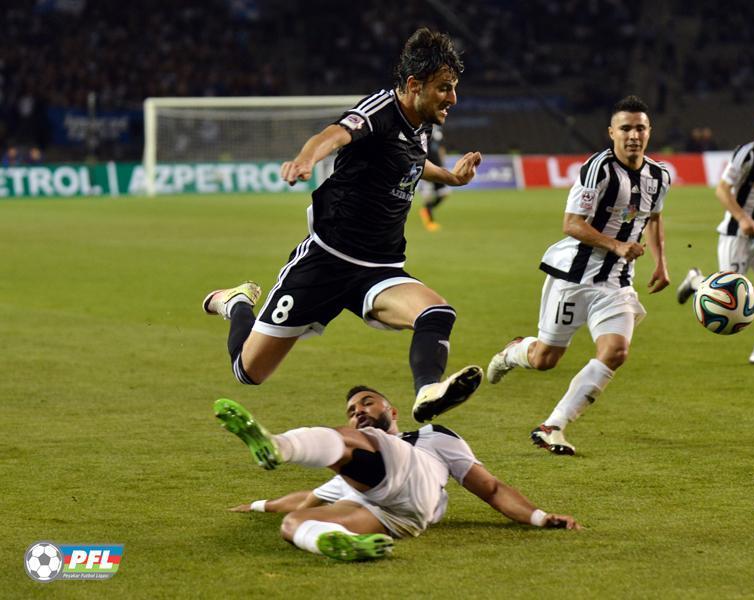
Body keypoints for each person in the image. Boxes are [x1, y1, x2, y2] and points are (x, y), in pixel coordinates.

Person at [202, 28, 484, 423]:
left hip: (379, 268)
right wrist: (306, 159)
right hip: (325, 262)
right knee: (250, 371)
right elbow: (333, 135)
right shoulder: (380, 109)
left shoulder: (420, 123)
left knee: (437, 313)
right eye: (444, 88)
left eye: (453, 88)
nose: (452, 98)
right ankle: (236, 303)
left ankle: (427, 392)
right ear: (413, 85)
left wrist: (450, 178)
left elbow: (412, 161)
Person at [485, 96, 671, 456]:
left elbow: (654, 218)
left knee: (616, 351)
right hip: (574, 278)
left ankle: (552, 426)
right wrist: (617, 245)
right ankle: (513, 352)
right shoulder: (597, 169)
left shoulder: (659, 175)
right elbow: (572, 224)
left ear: (649, 131)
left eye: (640, 128)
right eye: (626, 128)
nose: (634, 135)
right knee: (544, 359)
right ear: (612, 132)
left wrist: (661, 263)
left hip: (616, 282)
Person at [215, 386, 581, 562]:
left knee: (355, 442)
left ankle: (279, 445)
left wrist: (539, 516)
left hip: (416, 477)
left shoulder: (432, 437)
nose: (358, 410)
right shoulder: (351, 465)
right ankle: (342, 544)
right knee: (294, 524)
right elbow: (309, 498)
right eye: (351, 410)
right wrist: (260, 506)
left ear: (392, 411)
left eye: (367, 402)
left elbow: (491, 488)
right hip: (395, 517)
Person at [675, 102, 754, 367]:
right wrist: (742, 218)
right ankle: (696, 281)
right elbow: (722, 189)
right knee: (726, 294)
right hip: (736, 233)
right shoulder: (747, 154)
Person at [418, 124, 451, 231]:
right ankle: (430, 221)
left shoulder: (438, 130)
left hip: (438, 167)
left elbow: (441, 147)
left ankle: (427, 209)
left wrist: (443, 163)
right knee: (427, 195)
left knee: (444, 193)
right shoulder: (422, 128)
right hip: (426, 168)